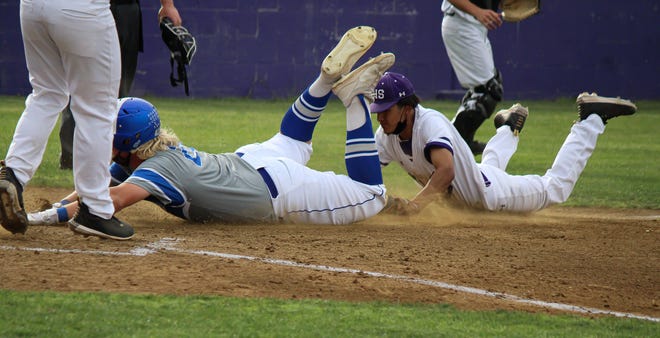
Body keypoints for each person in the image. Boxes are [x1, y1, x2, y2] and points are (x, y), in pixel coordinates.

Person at [27, 26, 394, 240]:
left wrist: (39, 219)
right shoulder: (147, 154)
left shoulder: (156, 169)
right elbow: (95, 188)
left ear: (127, 144)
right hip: (253, 163)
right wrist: (59, 205)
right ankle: (325, 80)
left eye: (110, 134)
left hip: (279, 190)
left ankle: (354, 100)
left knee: (372, 194)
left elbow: (112, 201)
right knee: (294, 140)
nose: (102, 138)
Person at [370, 71, 636, 215]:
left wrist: (415, 205)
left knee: (554, 189)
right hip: (476, 185)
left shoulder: (429, 124)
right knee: (484, 169)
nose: (380, 117)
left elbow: (446, 171)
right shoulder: (385, 136)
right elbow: (366, 170)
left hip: (491, 195)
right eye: (377, 110)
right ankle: (509, 127)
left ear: (406, 108)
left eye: (386, 110)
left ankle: (591, 120)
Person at [0, 0, 126, 238]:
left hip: (32, 7)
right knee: (96, 108)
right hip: (82, 9)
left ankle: (13, 175)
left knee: (46, 94)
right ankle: (96, 210)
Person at [59, 0, 182, 169]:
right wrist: (167, 5)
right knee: (82, 87)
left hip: (120, 10)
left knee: (116, 92)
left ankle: (114, 154)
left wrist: (167, 5)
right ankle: (73, 157)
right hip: (90, 9)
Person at [441, 0, 505, 155]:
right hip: (462, 23)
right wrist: (478, 11)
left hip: (474, 26)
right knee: (487, 92)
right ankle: (454, 145)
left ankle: (454, 143)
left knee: (487, 88)